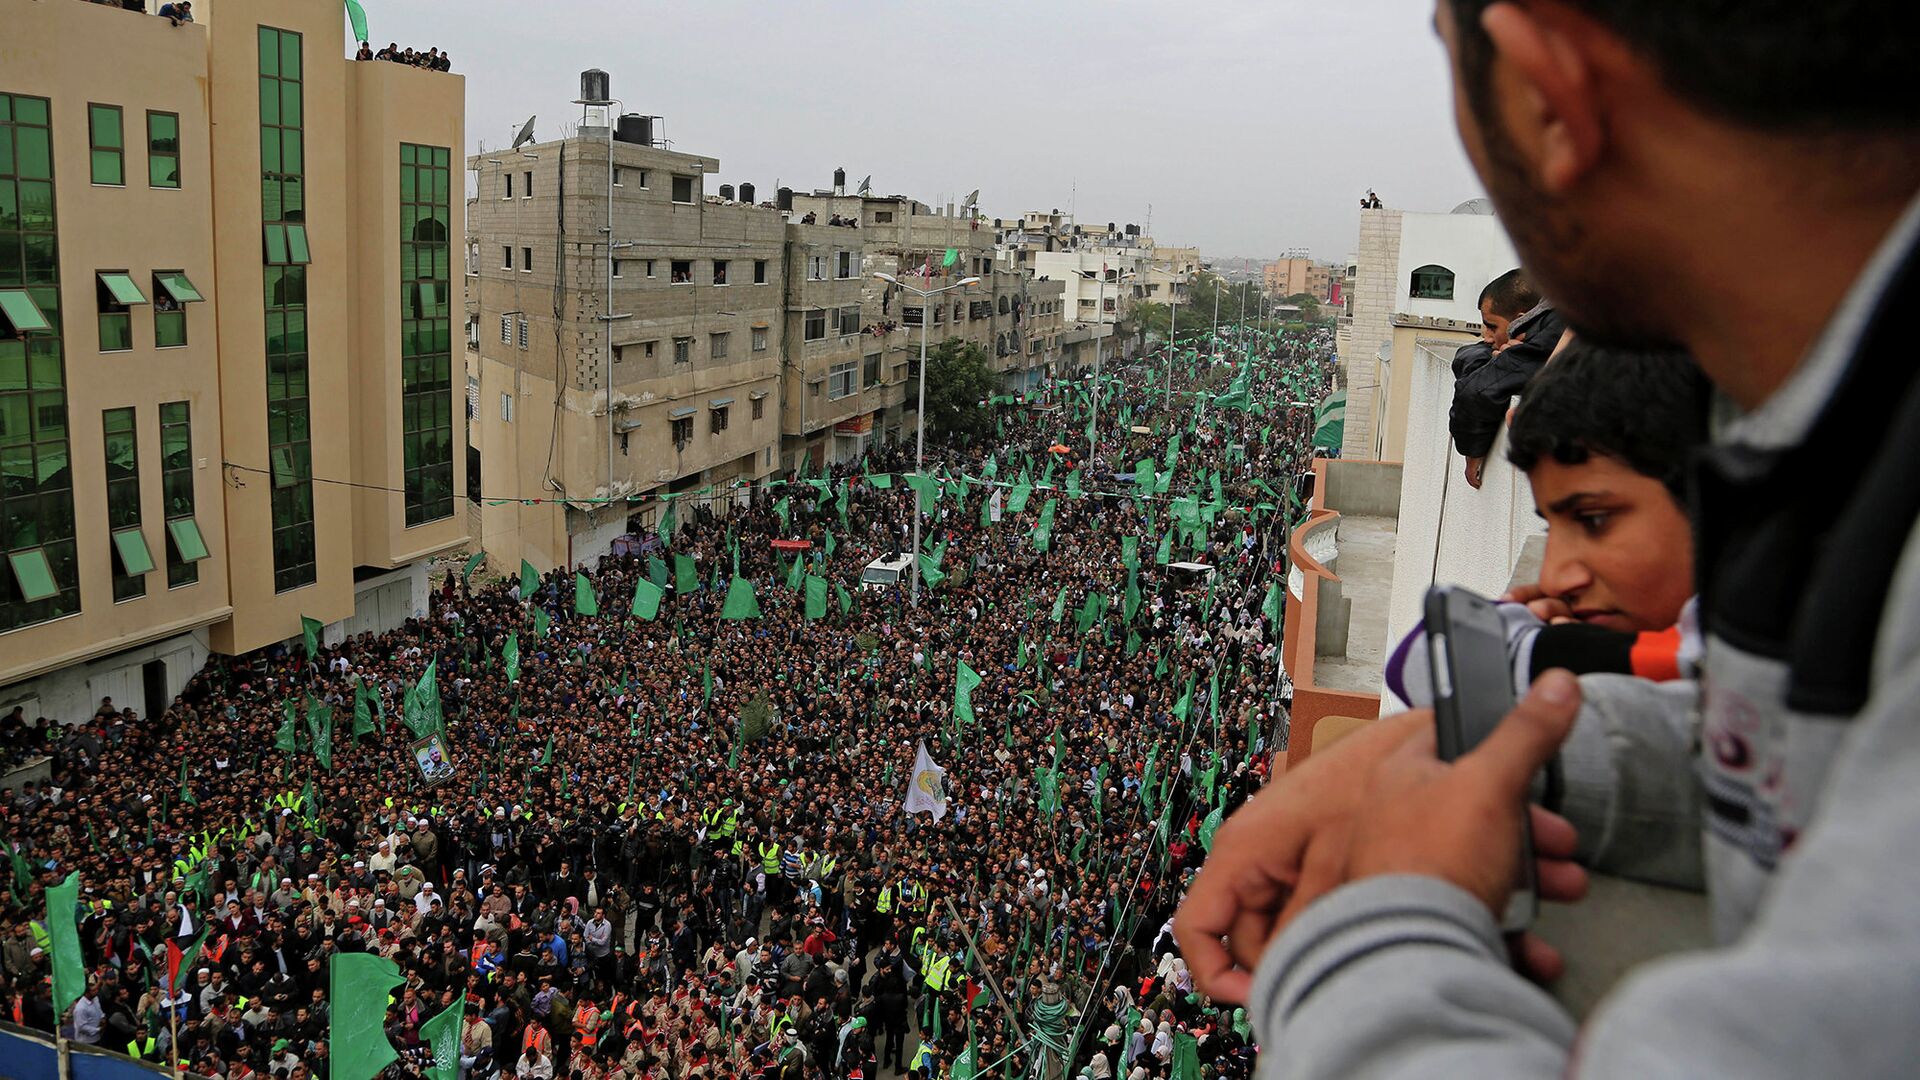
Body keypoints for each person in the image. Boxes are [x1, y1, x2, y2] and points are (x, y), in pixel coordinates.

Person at [1179, 1, 1920, 1077]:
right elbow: (1805, 777)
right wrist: (1475, 760)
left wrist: (1383, 918)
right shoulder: (1832, 448)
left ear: (1548, 89)